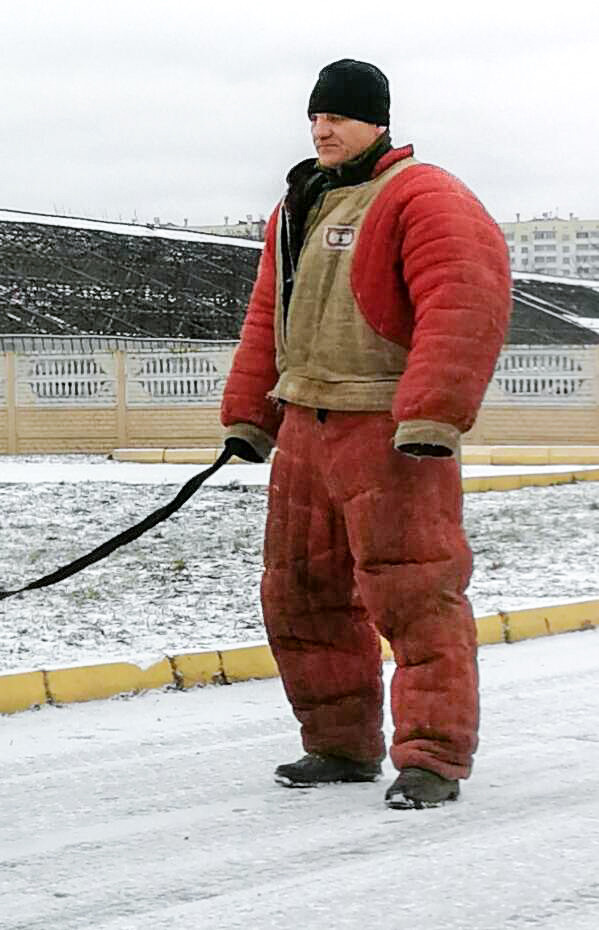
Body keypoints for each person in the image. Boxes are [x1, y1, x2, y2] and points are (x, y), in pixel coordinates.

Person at [219, 58, 511, 809]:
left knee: (414, 593)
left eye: (339, 117)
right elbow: (265, 318)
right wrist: (249, 416)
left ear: (377, 121)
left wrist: (432, 414)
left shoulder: (422, 195)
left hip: (387, 430)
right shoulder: (296, 207)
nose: (322, 130)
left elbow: (463, 300)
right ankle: (339, 746)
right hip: (306, 428)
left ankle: (431, 759)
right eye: (315, 117)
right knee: (300, 594)